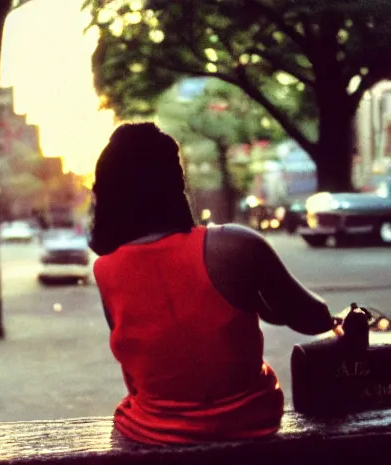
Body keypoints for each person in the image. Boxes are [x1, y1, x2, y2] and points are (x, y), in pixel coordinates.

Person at [90, 123, 336, 446]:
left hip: (154, 433)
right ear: (174, 183)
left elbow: (139, 372)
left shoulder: (106, 270)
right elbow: (314, 318)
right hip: (251, 423)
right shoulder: (235, 245)